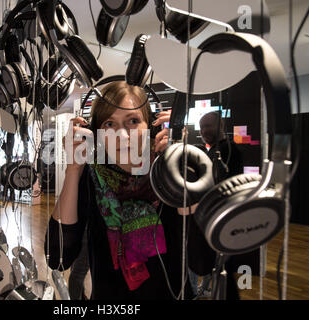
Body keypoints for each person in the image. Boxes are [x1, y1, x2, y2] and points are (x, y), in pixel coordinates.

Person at [45, 81, 193, 300]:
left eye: (133, 121)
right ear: (96, 133)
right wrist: (73, 170)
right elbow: (58, 257)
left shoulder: (168, 173)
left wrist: (179, 168)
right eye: (109, 124)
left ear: (151, 127)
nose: (122, 136)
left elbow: (201, 259)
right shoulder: (91, 177)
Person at [187, 111, 259, 300]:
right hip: (213, 219)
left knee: (222, 267)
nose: (204, 131)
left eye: (208, 126)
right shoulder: (213, 150)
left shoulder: (227, 151)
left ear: (221, 126)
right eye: (202, 127)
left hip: (221, 219)